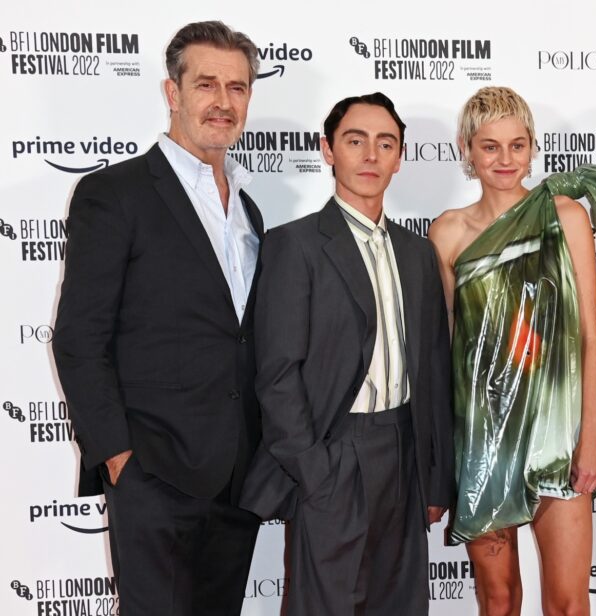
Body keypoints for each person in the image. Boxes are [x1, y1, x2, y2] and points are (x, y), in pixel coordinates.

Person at [52, 21, 264, 616]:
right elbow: (77, 338)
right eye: (206, 84)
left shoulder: (249, 209)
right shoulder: (115, 193)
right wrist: (119, 458)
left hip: (237, 477)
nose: (223, 102)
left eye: (238, 87)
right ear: (173, 93)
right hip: (154, 472)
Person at [238, 92, 454, 616]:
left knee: (400, 604)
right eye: (355, 141)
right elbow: (277, 373)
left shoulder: (417, 251)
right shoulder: (296, 245)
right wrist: (314, 469)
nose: (370, 156)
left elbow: (433, 371)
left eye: (386, 144)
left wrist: (434, 474)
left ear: (400, 158)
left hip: (403, 453)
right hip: (336, 453)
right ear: (328, 150)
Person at [429, 86, 596, 615]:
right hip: (484, 436)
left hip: (559, 432)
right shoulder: (447, 232)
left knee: (567, 604)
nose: (505, 159)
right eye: (490, 146)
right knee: (498, 599)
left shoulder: (565, 216)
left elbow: (591, 333)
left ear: (533, 148)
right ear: (466, 148)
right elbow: (449, 345)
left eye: (517, 145)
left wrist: (592, 436)